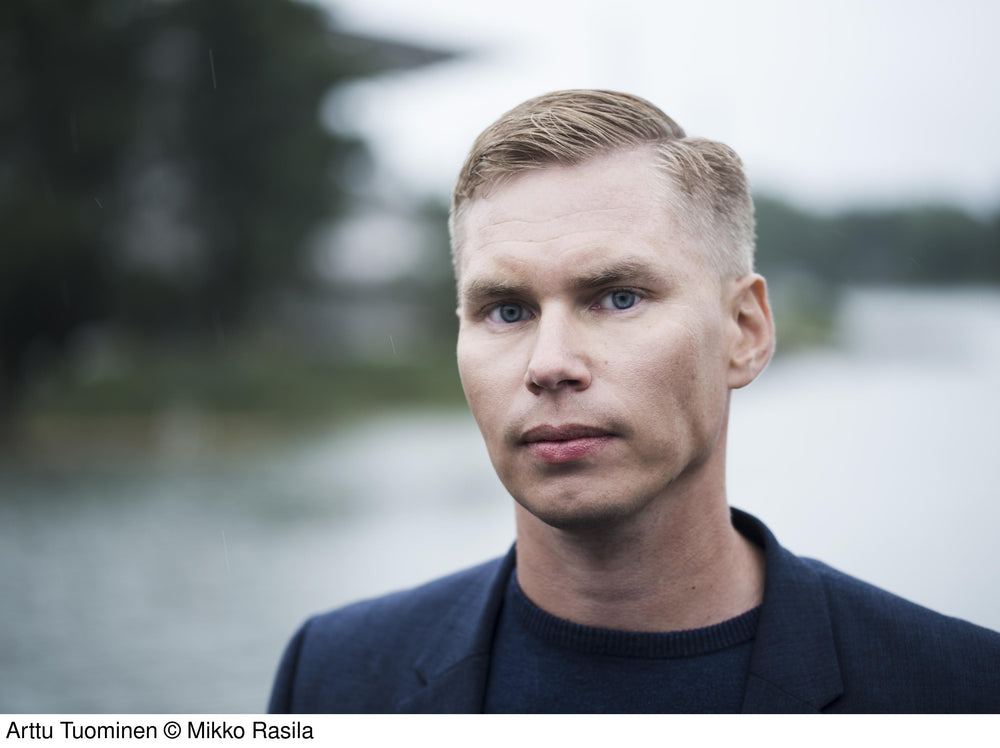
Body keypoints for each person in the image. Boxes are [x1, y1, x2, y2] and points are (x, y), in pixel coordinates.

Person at [268, 89, 1000, 713]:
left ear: (743, 332)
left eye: (618, 297)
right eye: (507, 310)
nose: (549, 365)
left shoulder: (960, 690)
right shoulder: (334, 676)